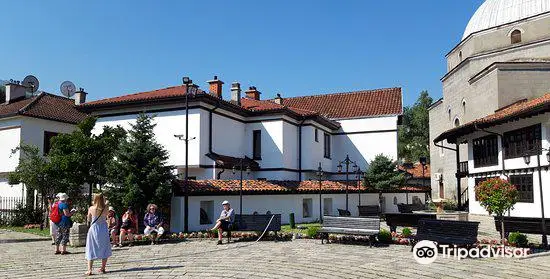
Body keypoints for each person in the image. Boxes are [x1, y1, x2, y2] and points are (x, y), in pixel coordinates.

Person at [85, 193, 112, 276]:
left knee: (91, 247)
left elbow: (89, 219)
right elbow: (107, 215)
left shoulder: (91, 208)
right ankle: (103, 268)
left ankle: (89, 269)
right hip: (103, 228)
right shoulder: (106, 208)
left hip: (94, 228)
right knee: (104, 247)